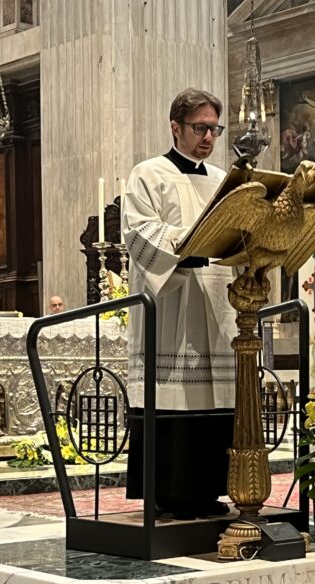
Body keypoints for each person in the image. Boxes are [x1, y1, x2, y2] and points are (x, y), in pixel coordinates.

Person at [121, 88, 237, 519]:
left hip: (219, 301)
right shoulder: (148, 174)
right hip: (172, 301)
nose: (208, 137)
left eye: (214, 129)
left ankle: (209, 490)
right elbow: (139, 232)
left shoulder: (225, 181)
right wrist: (189, 245)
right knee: (173, 399)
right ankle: (168, 493)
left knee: (215, 400)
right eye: (200, 128)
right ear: (175, 127)